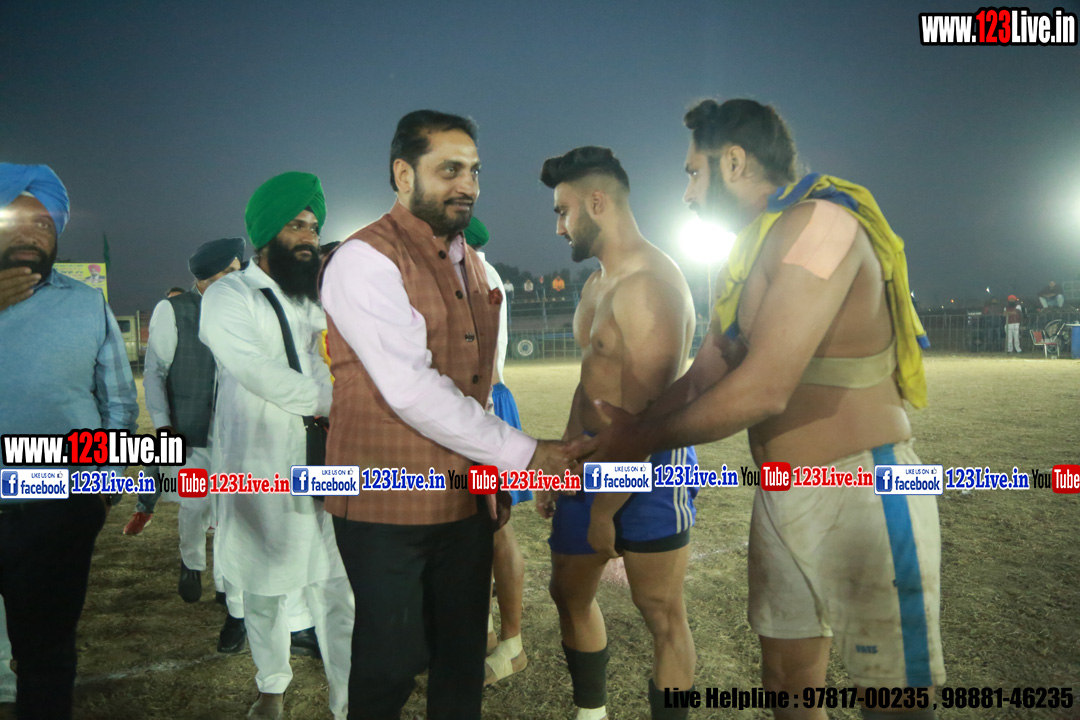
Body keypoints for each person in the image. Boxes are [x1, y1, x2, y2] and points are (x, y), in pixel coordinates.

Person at [569, 99, 944, 720]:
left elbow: (765, 388)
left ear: (735, 162)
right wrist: (631, 428)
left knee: (892, 699)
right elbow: (705, 376)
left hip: (863, 486)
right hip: (781, 494)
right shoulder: (746, 255)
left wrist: (639, 439)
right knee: (786, 684)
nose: (688, 193)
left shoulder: (822, 223)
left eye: (695, 172)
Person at [319, 109, 568, 719]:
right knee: (390, 664)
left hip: (464, 500)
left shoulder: (470, 260)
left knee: (461, 662)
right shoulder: (365, 258)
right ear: (404, 174)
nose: (468, 185)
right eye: (450, 169)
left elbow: (476, 385)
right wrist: (529, 455)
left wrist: (497, 473)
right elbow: (410, 388)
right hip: (384, 502)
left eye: (474, 171)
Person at [536, 147, 698, 720]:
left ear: (597, 203)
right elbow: (589, 386)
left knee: (661, 612)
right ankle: (592, 714)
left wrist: (605, 509)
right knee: (568, 592)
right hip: (587, 460)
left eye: (564, 211)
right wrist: (558, 461)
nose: (559, 227)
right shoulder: (596, 286)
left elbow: (645, 417)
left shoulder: (650, 284)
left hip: (649, 468)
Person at [200, 172, 353, 720]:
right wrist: (342, 402)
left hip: (329, 459)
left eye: (313, 225)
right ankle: (272, 687)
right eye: (296, 225)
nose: (309, 235)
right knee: (264, 586)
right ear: (265, 235)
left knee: (338, 586)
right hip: (259, 463)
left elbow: (342, 357)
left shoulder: (317, 298)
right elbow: (256, 370)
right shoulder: (228, 295)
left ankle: (347, 701)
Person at [0, 163, 139, 720]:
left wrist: (103, 484)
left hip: (57, 509)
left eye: (44, 223)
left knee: (48, 654)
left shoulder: (85, 304)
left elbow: (118, 404)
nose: (32, 233)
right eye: (15, 219)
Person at [461, 217, 533, 685]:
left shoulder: (476, 272)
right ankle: (486, 632)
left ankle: (512, 644)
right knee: (472, 529)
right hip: (469, 407)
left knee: (496, 528)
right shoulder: (468, 268)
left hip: (484, 405)